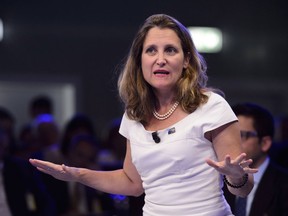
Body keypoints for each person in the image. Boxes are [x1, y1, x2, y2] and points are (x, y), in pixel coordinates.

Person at [29, 14, 258, 216]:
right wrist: (79, 175)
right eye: (151, 50)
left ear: (186, 60)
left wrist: (236, 177)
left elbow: (244, 186)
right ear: (140, 61)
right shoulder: (134, 113)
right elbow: (132, 183)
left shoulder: (211, 106)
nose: (161, 59)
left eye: (170, 50)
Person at [223, 102, 288, 216]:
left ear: (265, 143)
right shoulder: (220, 180)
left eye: (242, 135)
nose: (233, 141)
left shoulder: (283, 184)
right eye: (232, 134)